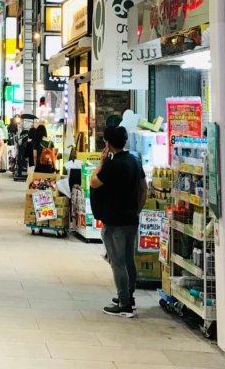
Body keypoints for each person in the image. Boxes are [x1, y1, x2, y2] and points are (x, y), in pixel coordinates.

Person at [90, 125, 147, 318]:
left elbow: (94, 181)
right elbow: (143, 188)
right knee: (129, 260)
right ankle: (129, 297)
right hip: (131, 219)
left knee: (118, 263)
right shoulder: (135, 161)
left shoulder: (113, 165)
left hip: (114, 222)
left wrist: (102, 162)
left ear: (107, 143)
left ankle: (124, 305)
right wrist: (137, 209)